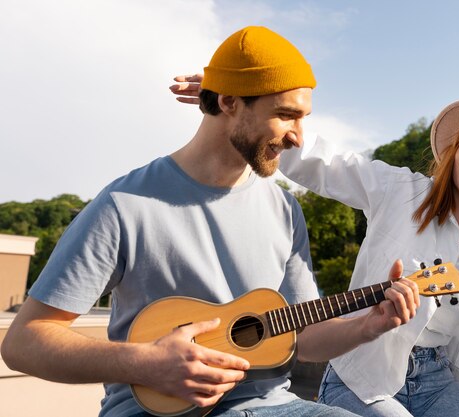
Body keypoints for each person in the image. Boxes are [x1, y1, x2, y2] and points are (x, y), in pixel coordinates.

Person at [0, 26, 421, 417]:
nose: (297, 137)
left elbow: (303, 337)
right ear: (229, 102)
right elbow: (24, 342)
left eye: (302, 118)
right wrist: (145, 362)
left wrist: (369, 325)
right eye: (286, 114)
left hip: (271, 405)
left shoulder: (285, 210)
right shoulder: (124, 205)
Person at [170, 79, 459, 417]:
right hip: (361, 374)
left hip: (437, 381)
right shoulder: (403, 191)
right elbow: (325, 163)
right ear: (454, 152)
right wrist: (246, 105)